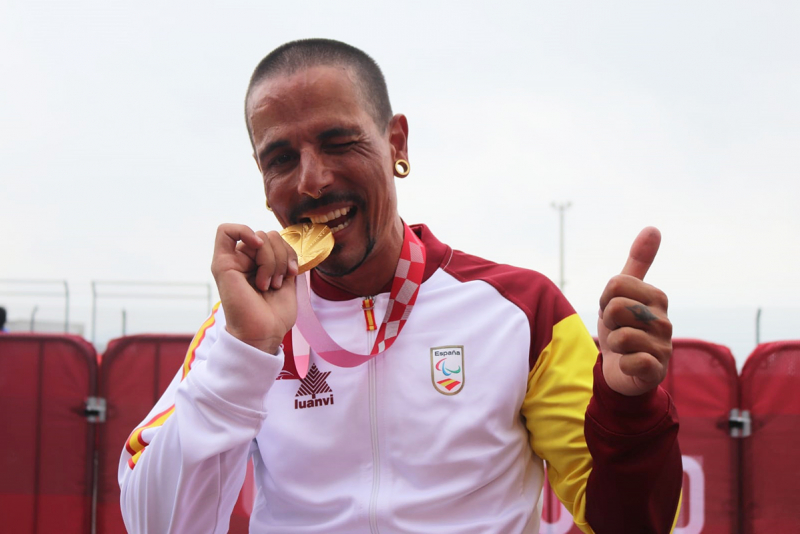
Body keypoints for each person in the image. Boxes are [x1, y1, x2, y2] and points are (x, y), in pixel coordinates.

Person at [119, 39, 681, 533]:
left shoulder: (521, 311)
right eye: (281, 158)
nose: (312, 180)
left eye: (339, 142)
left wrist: (628, 410)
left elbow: (629, 525)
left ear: (397, 145)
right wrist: (243, 357)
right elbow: (157, 526)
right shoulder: (240, 330)